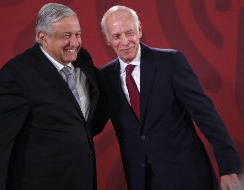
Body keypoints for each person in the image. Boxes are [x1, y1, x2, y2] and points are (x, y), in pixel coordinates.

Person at [93, 5, 243, 190]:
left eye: (129, 32)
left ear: (139, 29)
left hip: (187, 176)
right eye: (116, 36)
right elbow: (94, 124)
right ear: (107, 39)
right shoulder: (105, 77)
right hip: (141, 180)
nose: (125, 41)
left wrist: (229, 167)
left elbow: (207, 116)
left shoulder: (170, 62)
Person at [0, 3, 99, 190]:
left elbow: (84, 118)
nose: (74, 43)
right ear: (43, 37)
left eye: (78, 34)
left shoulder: (82, 59)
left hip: (83, 180)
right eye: (66, 35)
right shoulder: (19, 73)